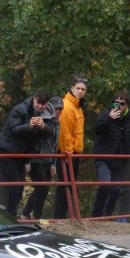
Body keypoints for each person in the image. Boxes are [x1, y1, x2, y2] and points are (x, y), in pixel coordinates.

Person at [0, 91, 56, 218]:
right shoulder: (20, 109)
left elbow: (48, 135)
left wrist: (43, 126)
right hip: (7, 151)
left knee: (21, 186)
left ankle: (11, 214)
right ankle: (10, 216)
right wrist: (29, 125)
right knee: (15, 185)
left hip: (22, 155)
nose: (40, 107)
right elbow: (14, 130)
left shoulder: (46, 114)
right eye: (38, 103)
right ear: (34, 99)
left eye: (43, 104)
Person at [91, 91, 130, 218]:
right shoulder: (106, 113)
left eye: (122, 104)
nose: (118, 106)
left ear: (126, 105)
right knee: (104, 185)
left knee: (116, 189)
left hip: (120, 159)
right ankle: (96, 216)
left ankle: (107, 216)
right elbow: (97, 129)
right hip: (103, 156)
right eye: (116, 103)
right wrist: (109, 119)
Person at [53, 77, 88, 219]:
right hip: (67, 153)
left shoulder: (77, 107)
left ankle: (63, 216)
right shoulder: (67, 106)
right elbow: (65, 132)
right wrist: (68, 152)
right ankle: (59, 217)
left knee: (68, 185)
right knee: (65, 185)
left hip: (73, 152)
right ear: (72, 88)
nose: (80, 91)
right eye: (78, 88)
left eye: (83, 89)